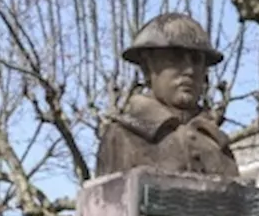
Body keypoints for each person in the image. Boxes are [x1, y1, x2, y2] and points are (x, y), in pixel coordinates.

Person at [95, 13, 240, 179]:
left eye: (197, 61)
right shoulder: (122, 137)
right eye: (175, 58)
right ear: (147, 68)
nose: (190, 70)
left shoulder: (217, 144)